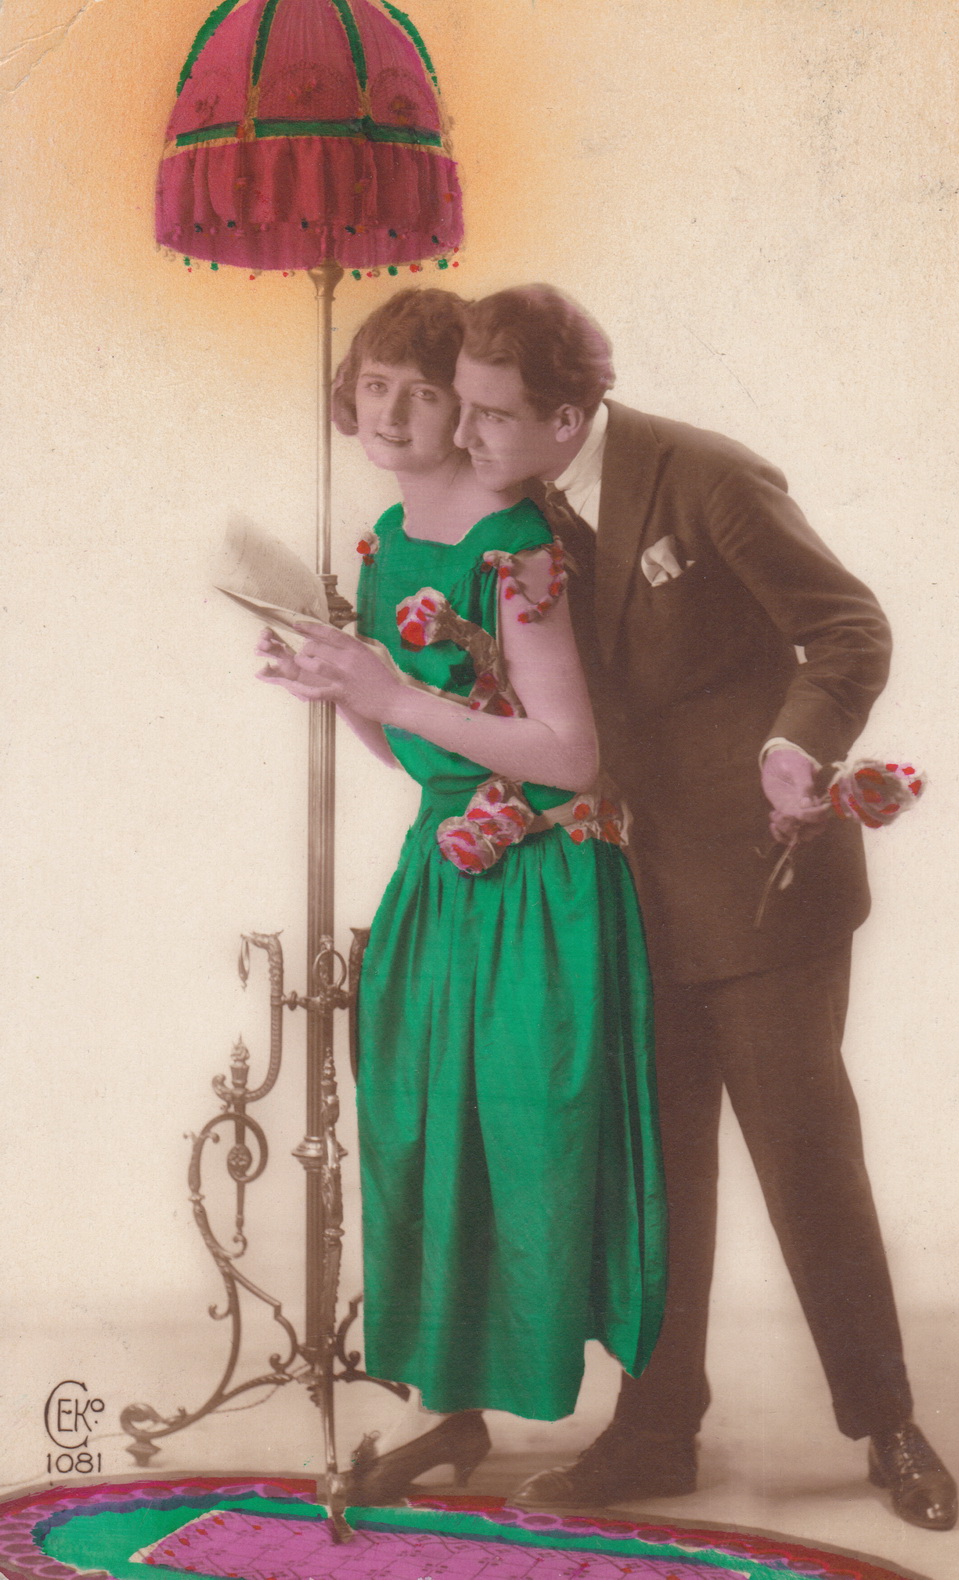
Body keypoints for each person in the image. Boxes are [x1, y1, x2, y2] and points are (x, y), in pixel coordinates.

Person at [448, 284, 958, 1532]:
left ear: (570, 416)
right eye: (460, 407)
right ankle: (655, 1429)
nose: (467, 435)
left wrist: (795, 748)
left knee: (807, 1164)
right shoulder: (513, 507)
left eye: (491, 415)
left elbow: (849, 629)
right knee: (654, 1183)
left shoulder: (711, 478)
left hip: (763, 886)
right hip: (626, 896)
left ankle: (887, 1421)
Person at [256, 288, 666, 1505]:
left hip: (540, 880)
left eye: (425, 392)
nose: (392, 412)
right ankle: (443, 1410)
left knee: (522, 1144)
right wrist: (341, 686)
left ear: (472, 412)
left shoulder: (517, 544)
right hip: (445, 868)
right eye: (376, 383)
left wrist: (389, 691)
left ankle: (538, 1405)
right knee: (423, 1132)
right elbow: (421, 749)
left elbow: (569, 752)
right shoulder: (385, 539)